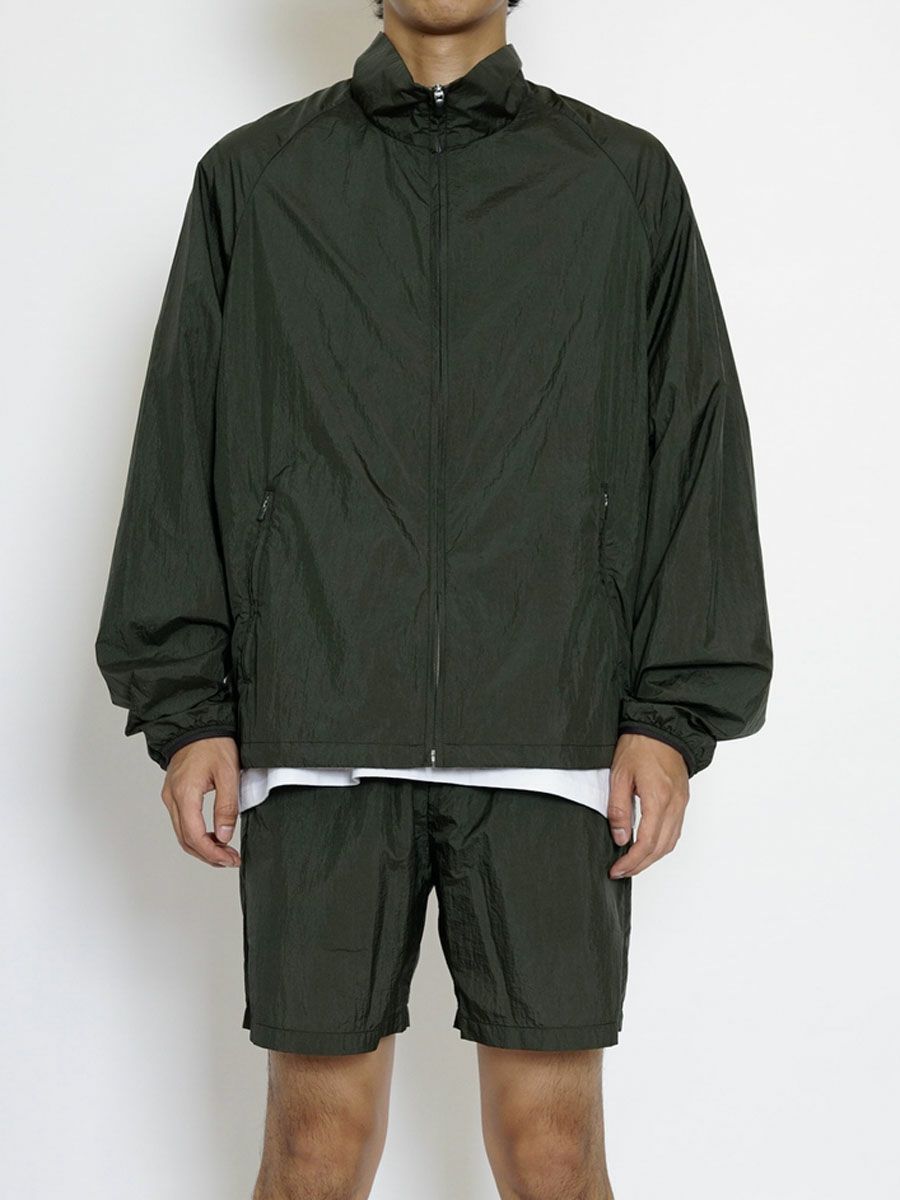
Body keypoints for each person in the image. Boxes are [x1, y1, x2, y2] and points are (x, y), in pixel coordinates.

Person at [94, 1, 773, 1195]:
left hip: (552, 729)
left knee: (554, 1150)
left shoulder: (620, 180)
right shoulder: (256, 179)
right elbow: (182, 441)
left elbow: (696, 444)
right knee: (314, 1146)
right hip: (319, 722)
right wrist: (189, 706)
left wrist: (670, 716)